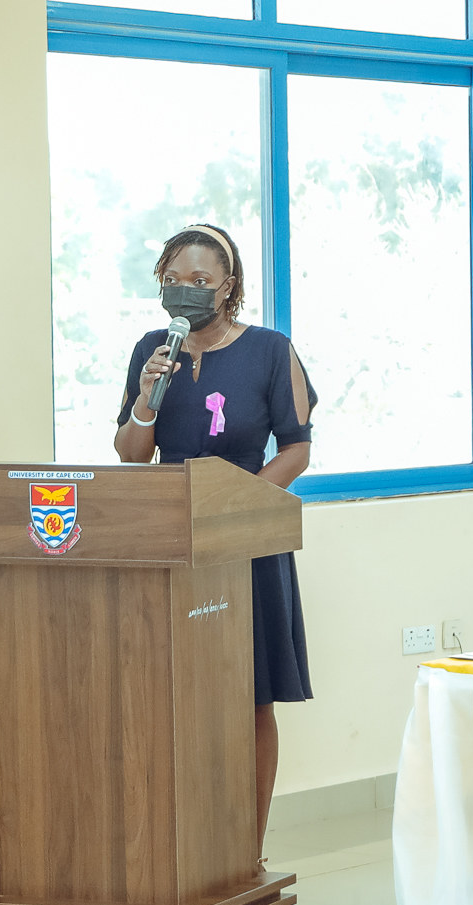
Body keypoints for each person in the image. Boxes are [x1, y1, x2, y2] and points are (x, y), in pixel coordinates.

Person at [114, 223, 315, 867]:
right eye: (173, 281)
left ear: (229, 286)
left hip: (246, 544)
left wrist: (240, 509)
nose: (185, 292)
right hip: (174, 544)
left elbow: (298, 446)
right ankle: (181, 847)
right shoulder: (153, 349)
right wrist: (148, 394)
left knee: (250, 696)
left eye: (199, 281)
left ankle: (245, 851)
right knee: (177, 695)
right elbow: (132, 455)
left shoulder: (269, 349)